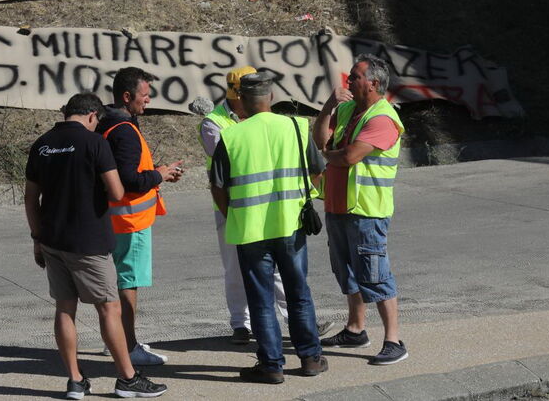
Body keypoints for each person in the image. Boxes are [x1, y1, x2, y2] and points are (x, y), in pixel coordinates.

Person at [24, 92, 167, 399]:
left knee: (65, 308)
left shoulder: (42, 145)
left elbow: (30, 198)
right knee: (109, 308)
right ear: (92, 116)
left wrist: (37, 238)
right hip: (88, 241)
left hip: (52, 239)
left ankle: (75, 380)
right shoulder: (95, 143)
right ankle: (127, 378)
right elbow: (117, 193)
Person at [200, 66, 334, 345]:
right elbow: (315, 169)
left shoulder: (236, 132)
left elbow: (220, 180)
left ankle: (272, 358)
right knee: (239, 271)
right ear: (269, 96)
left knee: (275, 285)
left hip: (269, 214)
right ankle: (243, 324)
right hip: (245, 213)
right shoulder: (215, 124)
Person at [312, 54, 408, 366]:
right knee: (347, 271)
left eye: (354, 77)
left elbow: (350, 156)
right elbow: (320, 139)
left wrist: (328, 153)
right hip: (339, 205)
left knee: (376, 275)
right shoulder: (350, 109)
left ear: (374, 83)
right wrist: (328, 107)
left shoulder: (383, 119)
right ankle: (356, 330)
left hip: (367, 211)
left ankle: (394, 340)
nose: (348, 81)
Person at [98, 67, 184, 367]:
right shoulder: (125, 131)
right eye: (144, 96)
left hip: (113, 220)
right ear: (127, 96)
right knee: (127, 284)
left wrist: (156, 172)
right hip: (130, 223)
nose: (147, 101)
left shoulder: (108, 124)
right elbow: (129, 180)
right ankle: (129, 345)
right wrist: (158, 174)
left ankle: (118, 339)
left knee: (117, 282)